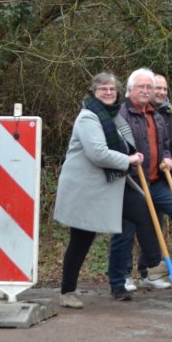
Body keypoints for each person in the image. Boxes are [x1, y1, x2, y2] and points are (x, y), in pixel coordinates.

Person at [54, 72, 161, 307]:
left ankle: (155, 264)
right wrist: (129, 159)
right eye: (104, 89)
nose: (109, 92)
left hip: (111, 183)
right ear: (94, 91)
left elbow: (125, 142)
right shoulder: (88, 117)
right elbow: (98, 153)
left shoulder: (113, 116)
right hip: (86, 190)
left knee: (144, 209)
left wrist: (133, 154)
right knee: (82, 239)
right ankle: (67, 292)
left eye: (112, 89)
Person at [108, 68, 172, 295]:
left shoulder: (156, 116)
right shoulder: (120, 116)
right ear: (130, 89)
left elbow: (165, 146)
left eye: (149, 87)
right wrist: (128, 160)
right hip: (131, 184)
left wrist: (167, 159)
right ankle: (118, 280)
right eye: (141, 87)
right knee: (125, 231)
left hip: (156, 181)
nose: (145, 91)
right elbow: (113, 150)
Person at [153, 74, 172, 180]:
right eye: (158, 88)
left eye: (165, 89)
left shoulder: (171, 117)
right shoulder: (139, 115)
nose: (162, 92)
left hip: (167, 178)